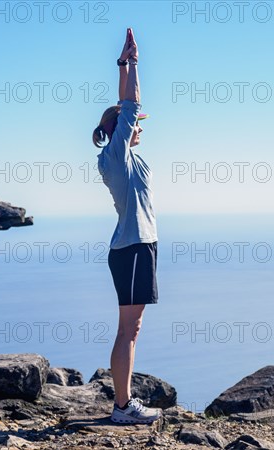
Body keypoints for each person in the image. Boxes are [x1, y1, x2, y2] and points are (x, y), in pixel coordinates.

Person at [92, 28, 161, 424]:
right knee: (128, 331)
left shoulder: (126, 159)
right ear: (122, 128)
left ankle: (124, 404)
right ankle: (122, 407)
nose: (141, 126)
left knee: (130, 330)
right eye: (136, 123)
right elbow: (130, 102)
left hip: (138, 247)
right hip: (133, 248)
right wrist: (130, 63)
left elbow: (130, 110)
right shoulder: (116, 156)